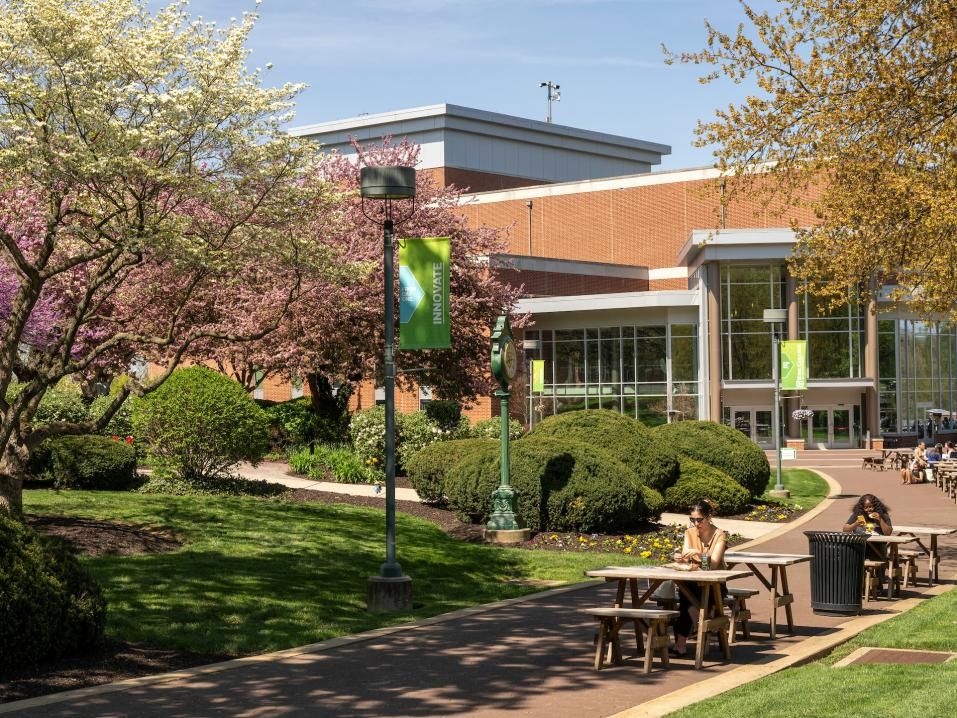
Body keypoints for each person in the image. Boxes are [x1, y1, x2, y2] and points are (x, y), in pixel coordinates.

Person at [670, 499, 727, 658]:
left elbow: (713, 566)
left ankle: (681, 644)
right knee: (686, 597)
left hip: (715, 585)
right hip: (693, 581)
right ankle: (698, 626)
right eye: (692, 519)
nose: (695, 523)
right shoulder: (689, 533)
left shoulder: (719, 535)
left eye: (699, 520)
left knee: (687, 601)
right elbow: (686, 559)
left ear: (709, 517)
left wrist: (699, 554)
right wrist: (680, 558)